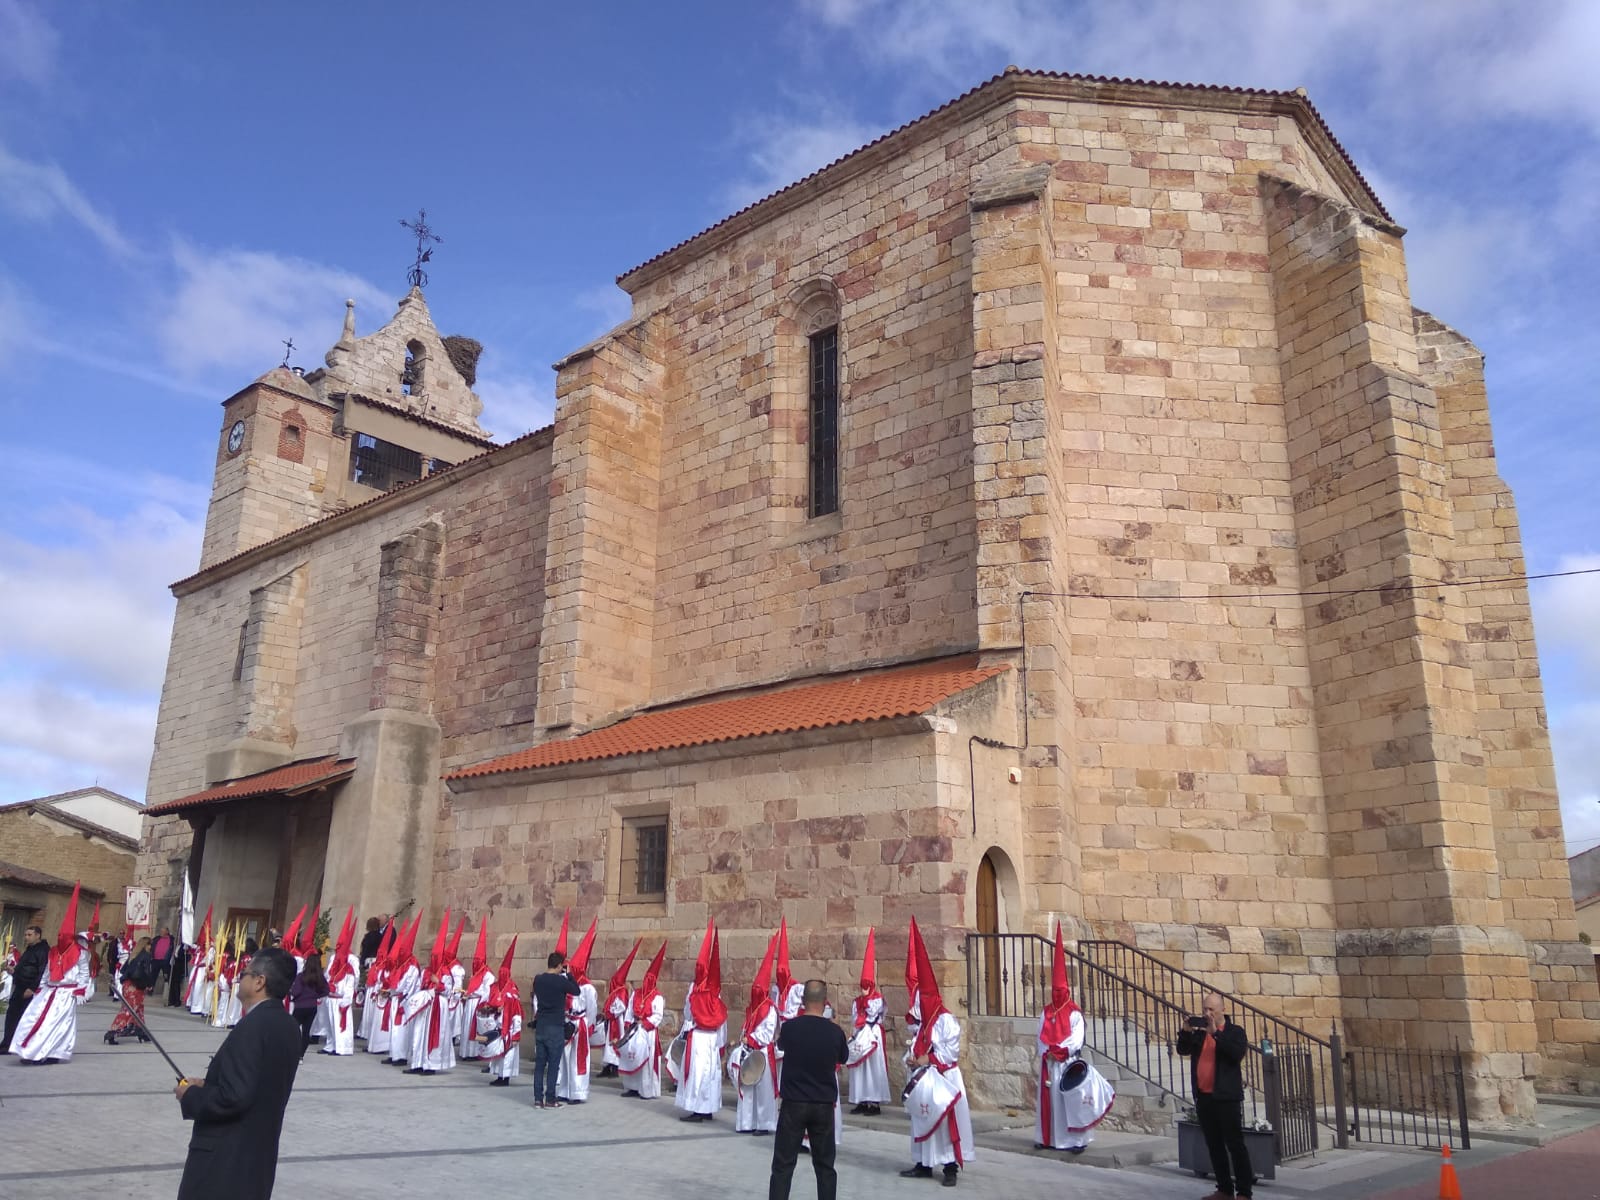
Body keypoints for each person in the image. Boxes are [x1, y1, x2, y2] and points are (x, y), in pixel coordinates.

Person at [174, 946, 302, 1200]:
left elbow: (234, 1097)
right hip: (257, 1158)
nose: (237, 977)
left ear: (259, 982)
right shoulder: (288, 1025)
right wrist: (209, 1084)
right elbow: (256, 1083)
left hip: (224, 1162)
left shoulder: (252, 1027)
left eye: (244, 973)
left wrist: (189, 1095)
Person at [899, 917, 974, 1187]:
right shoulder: (922, 1026)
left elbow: (949, 1053)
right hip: (926, 1081)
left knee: (945, 1124)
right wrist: (910, 1061)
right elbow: (915, 1048)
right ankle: (922, 1163)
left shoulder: (945, 1022)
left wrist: (926, 1059)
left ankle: (950, 1168)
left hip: (944, 1080)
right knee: (922, 1119)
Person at [767, 979, 849, 1200]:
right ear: (824, 1003)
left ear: (803, 1001)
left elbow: (781, 1046)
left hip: (794, 1104)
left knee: (783, 1165)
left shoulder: (790, 1028)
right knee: (825, 1167)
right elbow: (843, 1057)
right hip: (822, 1105)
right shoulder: (835, 1032)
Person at [1036, 922, 1113, 1152]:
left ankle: (1077, 1141)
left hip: (1067, 1063)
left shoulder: (1074, 1013)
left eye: (1062, 990)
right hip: (1049, 1064)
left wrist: (1059, 1051)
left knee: (1072, 1102)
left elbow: (1076, 1039)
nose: (1058, 994)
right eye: (1055, 990)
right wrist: (1046, 1051)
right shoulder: (1047, 1011)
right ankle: (1048, 1138)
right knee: (1051, 1104)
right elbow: (1039, 1035)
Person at [1175, 992, 1254, 1200]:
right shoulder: (1200, 1034)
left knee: (1235, 1144)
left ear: (1223, 1010)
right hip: (1205, 1097)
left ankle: (1244, 1192)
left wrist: (1215, 1033)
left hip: (1226, 1097)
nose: (1207, 1013)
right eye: (1205, 1010)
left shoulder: (1235, 1032)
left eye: (1211, 1010)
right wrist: (1185, 1031)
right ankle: (1224, 1189)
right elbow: (1182, 1049)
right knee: (1214, 1145)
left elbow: (1235, 1054)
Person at [12, 886, 92, 1065]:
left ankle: (49, 1052)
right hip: (49, 990)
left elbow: (85, 974)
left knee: (55, 1023)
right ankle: (29, 1051)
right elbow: (48, 971)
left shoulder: (80, 953)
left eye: (65, 935)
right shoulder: (54, 951)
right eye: (59, 935)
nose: (61, 937)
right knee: (33, 1019)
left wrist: (80, 991)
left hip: (66, 993)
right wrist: (40, 987)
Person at [674, 919, 728, 1123]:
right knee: (710, 1074)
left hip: (698, 1038)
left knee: (698, 1074)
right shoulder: (715, 993)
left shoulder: (695, 991)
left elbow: (689, 1014)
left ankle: (698, 1109)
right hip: (711, 1038)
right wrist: (720, 1043)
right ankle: (707, 1108)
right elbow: (721, 1018)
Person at [732, 934, 780, 1135]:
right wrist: (743, 1039)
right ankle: (746, 1123)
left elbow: (767, 1032)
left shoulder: (769, 1008)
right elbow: (747, 1025)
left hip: (761, 1052)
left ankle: (763, 1123)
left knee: (762, 1091)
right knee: (748, 1088)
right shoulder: (752, 1008)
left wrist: (751, 1039)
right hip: (749, 1051)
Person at [845, 928, 889, 1116]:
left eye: (866, 986)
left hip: (872, 1034)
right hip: (860, 1033)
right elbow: (856, 1019)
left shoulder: (876, 999)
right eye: (861, 986)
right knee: (859, 1068)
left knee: (872, 1068)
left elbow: (874, 1014)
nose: (863, 990)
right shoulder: (856, 1001)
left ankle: (874, 1102)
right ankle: (861, 1100)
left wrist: (866, 1002)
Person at [617, 941, 667, 1100]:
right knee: (631, 1056)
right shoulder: (636, 994)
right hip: (634, 1030)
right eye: (646, 978)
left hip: (647, 1032)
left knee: (646, 1060)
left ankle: (646, 1090)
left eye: (650, 980)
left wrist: (644, 1024)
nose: (647, 982)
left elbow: (657, 1015)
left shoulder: (657, 997)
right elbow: (630, 1009)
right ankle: (632, 1087)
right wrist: (628, 1024)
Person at [531, 949, 581, 1107]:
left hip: (541, 1026)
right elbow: (576, 990)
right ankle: (550, 1098)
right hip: (555, 1027)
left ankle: (538, 1098)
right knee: (553, 1065)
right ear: (559, 965)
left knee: (539, 1065)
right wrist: (569, 975)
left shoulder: (538, 979)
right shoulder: (561, 981)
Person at [556, 918, 599, 1102]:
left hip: (579, 1024)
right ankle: (565, 1090)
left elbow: (592, 1010)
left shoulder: (588, 988)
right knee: (565, 1059)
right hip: (567, 1021)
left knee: (577, 1059)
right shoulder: (567, 983)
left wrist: (587, 1027)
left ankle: (578, 1092)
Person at [1, 924, 50, 1053]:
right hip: (20, 985)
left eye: (29, 935)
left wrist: (32, 988)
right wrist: (13, 971)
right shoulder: (30, 949)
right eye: (26, 935)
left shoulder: (43, 950)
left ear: (37, 935)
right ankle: (8, 1042)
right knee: (12, 1015)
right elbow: (25, 967)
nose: (26, 937)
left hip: (29, 989)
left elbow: (42, 972)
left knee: (24, 1018)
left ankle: (15, 1044)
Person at [599, 937, 642, 1078]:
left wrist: (610, 1013)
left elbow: (621, 1006)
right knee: (608, 1044)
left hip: (617, 1022)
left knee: (616, 1042)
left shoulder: (622, 990)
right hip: (611, 1022)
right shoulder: (614, 990)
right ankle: (607, 1066)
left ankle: (615, 1066)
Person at [320, 908, 360, 1055]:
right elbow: (328, 975)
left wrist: (347, 999)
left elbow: (354, 979)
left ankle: (342, 1047)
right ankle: (330, 1044)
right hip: (331, 996)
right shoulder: (333, 959)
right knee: (330, 1023)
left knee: (341, 1023)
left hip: (341, 998)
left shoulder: (351, 962)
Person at [106, 937, 157, 1045]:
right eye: (150, 945)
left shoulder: (133, 955)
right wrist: (149, 984)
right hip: (136, 986)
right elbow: (147, 973)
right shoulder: (146, 956)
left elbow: (124, 970)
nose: (151, 947)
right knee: (129, 1010)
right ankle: (112, 1031)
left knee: (138, 1010)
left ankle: (141, 1031)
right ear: (145, 945)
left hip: (127, 985)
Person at [457, 918, 493, 1063]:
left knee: (474, 1027)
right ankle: (465, 1051)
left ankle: (474, 1053)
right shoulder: (475, 975)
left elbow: (486, 991)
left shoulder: (488, 975)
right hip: (470, 1003)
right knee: (466, 1027)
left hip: (477, 1003)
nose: (475, 963)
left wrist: (473, 995)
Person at [289, 953, 330, 1061]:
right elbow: (326, 990)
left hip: (300, 1006)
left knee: (292, 1029)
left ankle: (291, 1052)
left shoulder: (301, 976)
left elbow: (296, 991)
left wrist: (291, 994)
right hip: (312, 1007)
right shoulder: (320, 978)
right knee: (306, 1032)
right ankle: (300, 1056)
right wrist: (315, 996)